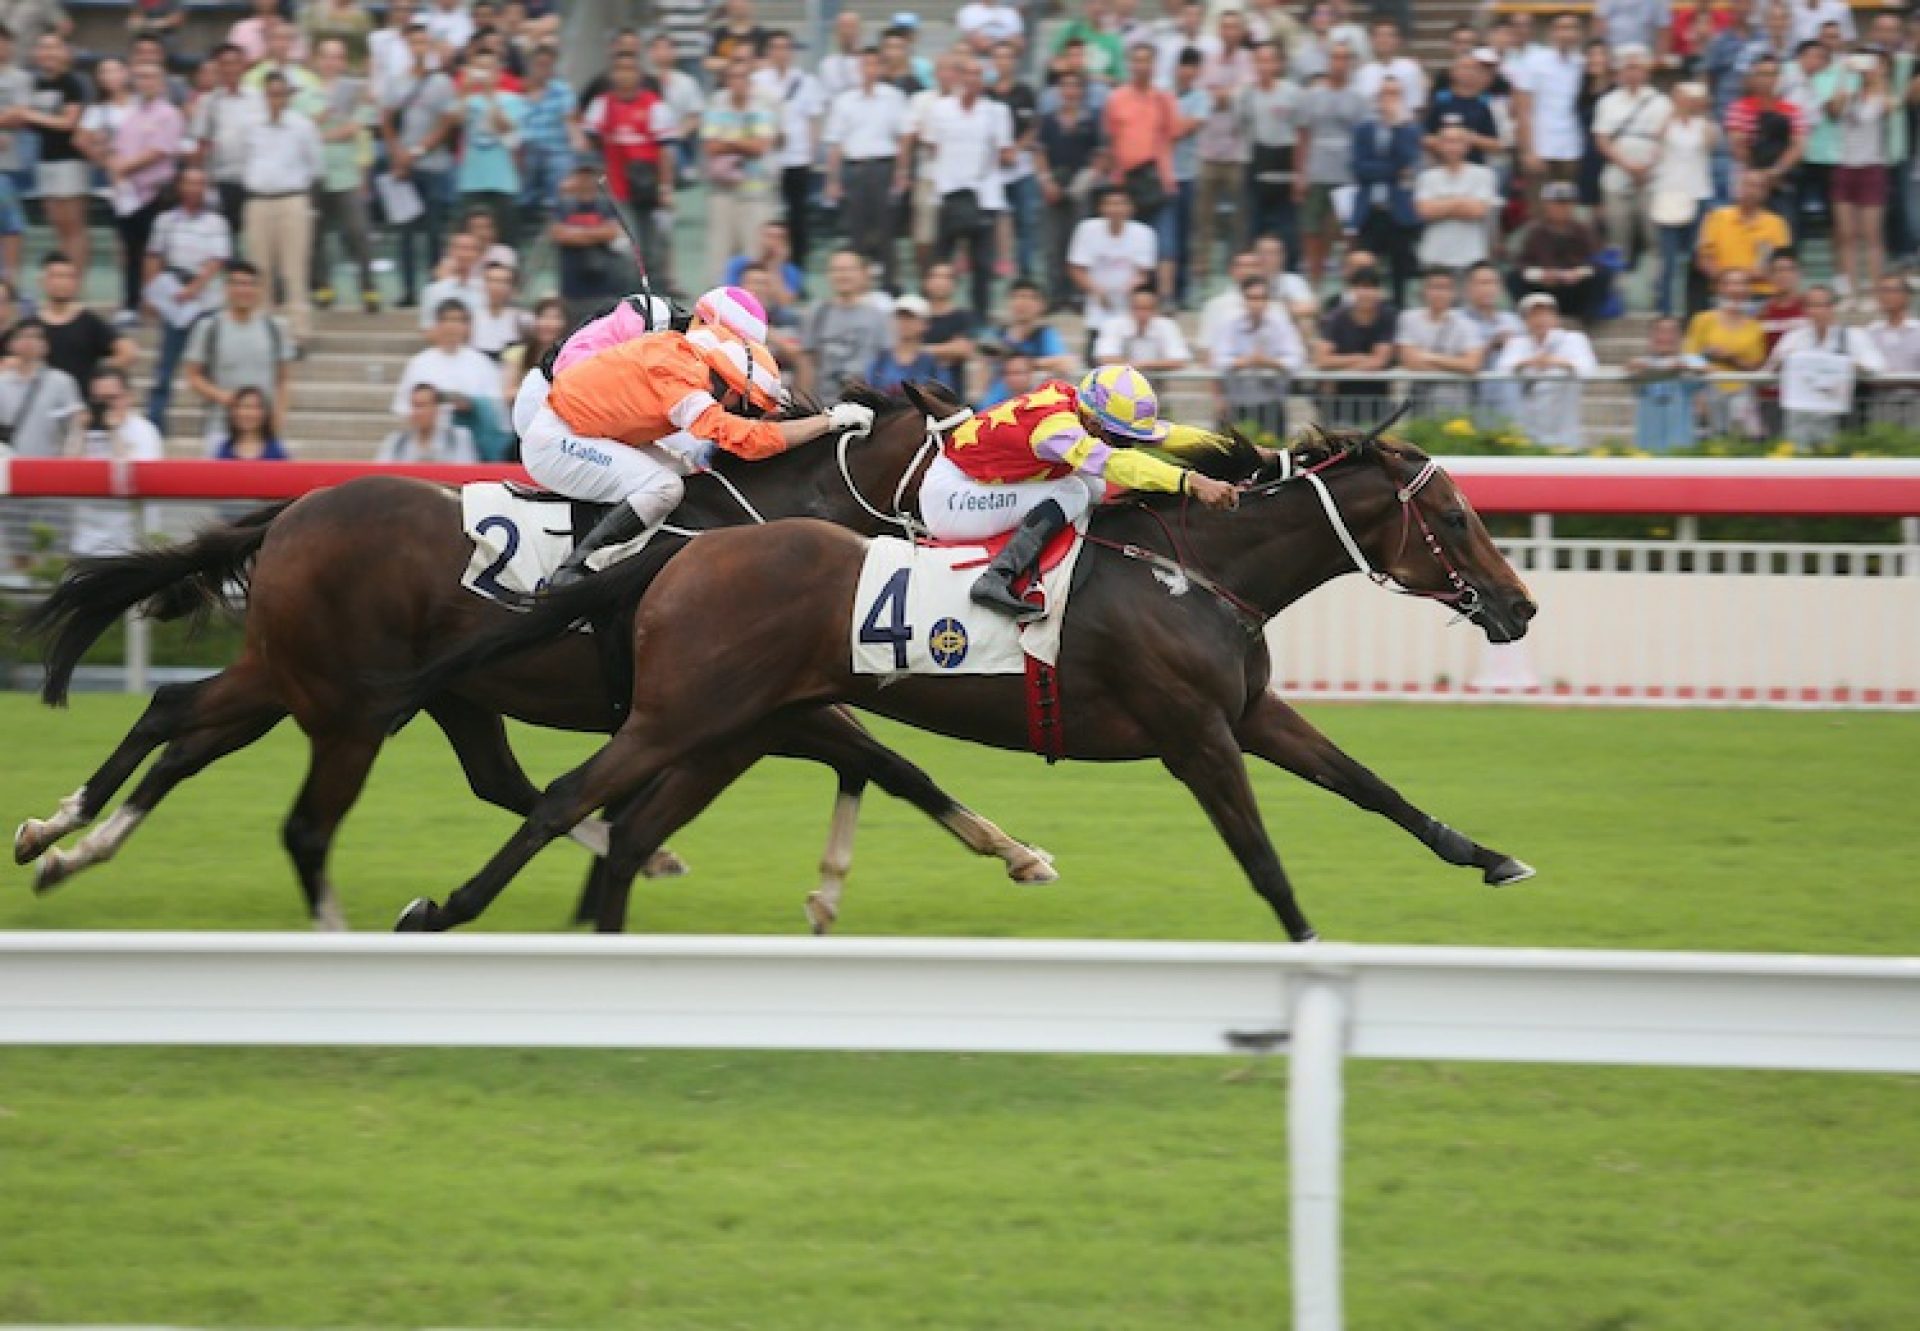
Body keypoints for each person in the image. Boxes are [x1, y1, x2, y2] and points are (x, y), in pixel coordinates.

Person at [528, 312, 874, 586]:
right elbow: (747, 440)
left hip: (589, 432)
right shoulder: (680, 377)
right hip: (557, 441)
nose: (744, 413)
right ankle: (576, 568)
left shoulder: (689, 360)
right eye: (747, 407)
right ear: (731, 385)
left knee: (684, 474)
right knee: (664, 487)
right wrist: (827, 422)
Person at [927, 363, 1237, 620]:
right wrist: (1191, 481)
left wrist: (1246, 452)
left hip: (979, 483)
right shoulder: (1056, 428)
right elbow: (1114, 462)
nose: (1124, 443)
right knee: (1074, 489)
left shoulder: (1082, 406)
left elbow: (1166, 435)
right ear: (1093, 420)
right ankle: (997, 577)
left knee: (1092, 486)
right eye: (1120, 437)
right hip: (952, 497)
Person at [913, 54, 1014, 318]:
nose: (972, 79)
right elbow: (931, 144)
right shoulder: (940, 109)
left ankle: (980, 316)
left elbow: (1005, 151)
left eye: (977, 74)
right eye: (967, 73)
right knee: (940, 259)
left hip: (984, 196)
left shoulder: (997, 111)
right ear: (959, 77)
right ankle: (931, 313)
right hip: (948, 193)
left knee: (982, 263)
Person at [143, 165, 233, 431]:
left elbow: (217, 260)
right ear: (180, 186)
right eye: (189, 183)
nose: (195, 189)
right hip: (175, 298)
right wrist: (153, 292)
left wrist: (193, 288)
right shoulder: (165, 221)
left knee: (211, 365)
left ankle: (215, 422)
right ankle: (155, 421)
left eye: (200, 183)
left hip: (206, 302)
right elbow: (154, 256)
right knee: (166, 364)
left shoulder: (217, 223)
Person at [383, 18, 461, 308]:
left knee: (432, 233)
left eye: (423, 42)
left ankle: (434, 292)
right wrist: (397, 154)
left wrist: (415, 151)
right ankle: (407, 290)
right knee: (405, 233)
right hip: (405, 170)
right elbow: (386, 120)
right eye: (413, 42)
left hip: (433, 167)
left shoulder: (441, 81)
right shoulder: (397, 81)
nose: (418, 48)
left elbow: (446, 124)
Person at [242, 72, 322, 341]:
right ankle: (260, 332)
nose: (276, 99)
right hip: (258, 201)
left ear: (289, 96)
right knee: (259, 269)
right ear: (264, 95)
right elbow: (246, 161)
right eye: (271, 93)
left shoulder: (303, 126)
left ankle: (298, 334)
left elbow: (315, 167)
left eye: (281, 93)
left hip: (292, 199)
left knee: (294, 270)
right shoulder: (251, 126)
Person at [824, 46, 910, 292]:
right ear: (859, 68)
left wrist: (902, 173)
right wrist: (833, 179)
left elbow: (903, 138)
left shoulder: (894, 97)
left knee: (886, 230)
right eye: (866, 64)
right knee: (856, 230)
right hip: (855, 169)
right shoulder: (845, 101)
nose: (870, 70)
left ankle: (890, 285)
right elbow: (836, 143)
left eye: (875, 64)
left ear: (882, 68)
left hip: (884, 167)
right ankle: (857, 284)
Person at [182, 260, 294, 444]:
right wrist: (225, 397)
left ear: (259, 290)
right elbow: (193, 376)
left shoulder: (274, 327)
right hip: (220, 429)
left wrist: (279, 416)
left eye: (250, 284)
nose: (244, 290)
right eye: (237, 284)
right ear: (227, 288)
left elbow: (284, 379)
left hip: (265, 432)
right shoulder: (209, 327)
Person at [307, 38, 377, 316]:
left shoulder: (357, 90)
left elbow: (355, 127)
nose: (332, 62)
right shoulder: (304, 92)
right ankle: (322, 286)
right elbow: (303, 127)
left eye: (338, 57)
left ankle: (368, 288)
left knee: (358, 232)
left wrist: (321, 133)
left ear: (344, 61)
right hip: (314, 172)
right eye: (327, 56)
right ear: (317, 60)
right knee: (315, 235)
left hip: (347, 172)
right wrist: (326, 126)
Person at [1767, 283, 1884, 446]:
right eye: (1811, 306)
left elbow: (1876, 366)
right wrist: (1782, 363)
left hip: (1839, 418)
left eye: (1822, 305)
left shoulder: (1852, 336)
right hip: (1800, 419)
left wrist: (1849, 365)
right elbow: (1769, 371)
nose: (1817, 311)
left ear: (1833, 307)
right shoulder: (1793, 338)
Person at [394, 301, 512, 460]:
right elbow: (402, 406)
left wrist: (472, 405)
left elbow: (496, 408)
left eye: (458, 320)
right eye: (447, 320)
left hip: (470, 444)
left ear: (467, 326)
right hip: (426, 442)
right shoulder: (419, 363)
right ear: (437, 325)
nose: (452, 326)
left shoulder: (482, 363)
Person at [67, 368, 163, 557]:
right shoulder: (84, 429)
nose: (105, 405)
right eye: (98, 399)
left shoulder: (144, 431)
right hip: (84, 540)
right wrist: (79, 431)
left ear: (128, 397)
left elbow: (137, 481)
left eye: (112, 398)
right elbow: (66, 474)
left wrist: (114, 432)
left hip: (127, 543)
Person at [1591, 45, 1671, 268]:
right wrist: (1628, 166)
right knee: (1617, 238)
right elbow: (1602, 139)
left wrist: (1646, 167)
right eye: (1627, 68)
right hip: (1618, 173)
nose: (1632, 73)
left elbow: (1666, 138)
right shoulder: (1608, 101)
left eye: (1637, 67)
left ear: (1646, 71)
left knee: (1654, 237)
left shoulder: (1661, 102)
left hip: (1652, 176)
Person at [701, 58, 777, 289]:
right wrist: (745, 142)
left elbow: (761, 147)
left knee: (754, 252)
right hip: (722, 193)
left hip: (755, 193)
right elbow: (711, 147)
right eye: (734, 77)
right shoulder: (716, 105)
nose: (739, 82)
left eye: (743, 77)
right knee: (719, 254)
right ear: (727, 80)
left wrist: (728, 140)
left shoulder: (761, 108)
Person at [751, 30, 824, 268]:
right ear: (769, 51)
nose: (781, 52)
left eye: (786, 47)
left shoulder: (806, 81)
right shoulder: (758, 80)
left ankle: (797, 268)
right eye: (776, 47)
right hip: (767, 159)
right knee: (767, 217)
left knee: (797, 217)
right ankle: (764, 267)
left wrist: (812, 155)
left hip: (797, 158)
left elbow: (813, 120)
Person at [1349, 78, 1422, 307]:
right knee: (1364, 268)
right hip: (1370, 210)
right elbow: (1359, 168)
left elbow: (1407, 162)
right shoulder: (1363, 129)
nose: (1389, 100)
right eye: (1385, 94)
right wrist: (1391, 171)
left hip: (1397, 211)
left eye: (1395, 95)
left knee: (1400, 271)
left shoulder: (1409, 129)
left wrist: (1397, 126)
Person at [1648, 81, 1718, 318]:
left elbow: (1710, 144)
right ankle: (1664, 308)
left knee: (1696, 256)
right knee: (1668, 257)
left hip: (1698, 193)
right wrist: (1674, 113)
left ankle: (1695, 309)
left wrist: (1701, 109)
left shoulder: (1704, 125)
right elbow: (1656, 141)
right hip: (1669, 192)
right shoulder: (1666, 123)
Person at [1034, 68, 1103, 308]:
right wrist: (1046, 181)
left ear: (1081, 91)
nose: (1070, 91)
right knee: (1053, 243)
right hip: (1054, 184)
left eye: (1075, 86)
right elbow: (1040, 152)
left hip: (1079, 187)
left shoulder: (1090, 120)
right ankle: (1055, 293)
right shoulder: (1049, 120)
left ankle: (1076, 293)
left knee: (1079, 242)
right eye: (1065, 86)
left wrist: (1086, 181)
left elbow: (1099, 155)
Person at [1492, 292, 1598, 448]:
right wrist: (1529, 363)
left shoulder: (1574, 339)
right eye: (1534, 315)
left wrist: (1557, 362)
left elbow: (1588, 369)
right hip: (1528, 428)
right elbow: (1501, 370)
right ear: (1526, 321)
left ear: (1556, 318)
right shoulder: (1517, 343)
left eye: (1545, 314)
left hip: (1565, 429)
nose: (1540, 320)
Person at [1067, 187, 1157, 357]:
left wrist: (1128, 290)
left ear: (1130, 208)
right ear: (1101, 208)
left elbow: (1144, 273)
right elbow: (1076, 268)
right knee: (1094, 358)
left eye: (1121, 204)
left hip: (1130, 308)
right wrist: (1097, 291)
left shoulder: (1144, 233)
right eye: (1110, 204)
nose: (1116, 209)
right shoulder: (1087, 229)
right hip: (1098, 307)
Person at [1211, 275, 1305, 436]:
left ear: (1268, 300)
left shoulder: (1281, 324)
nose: (1256, 303)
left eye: (1261, 298)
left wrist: (1268, 362)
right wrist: (1247, 361)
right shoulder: (1230, 324)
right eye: (1251, 298)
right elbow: (1219, 360)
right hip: (1236, 404)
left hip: (1271, 404)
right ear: (1243, 299)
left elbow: (1296, 359)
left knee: (1275, 455)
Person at [1832, 51, 1890, 309]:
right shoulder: (1848, 97)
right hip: (1846, 167)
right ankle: (1851, 293)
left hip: (1871, 168)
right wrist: (1845, 73)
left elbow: (1886, 106)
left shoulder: (1881, 97)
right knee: (1846, 235)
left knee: (1872, 235)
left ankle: (1875, 293)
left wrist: (1877, 76)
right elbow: (1833, 109)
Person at [26, 34, 87, 275]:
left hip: (69, 160)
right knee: (58, 227)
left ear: (64, 53)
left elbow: (69, 122)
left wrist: (30, 115)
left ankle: (75, 284)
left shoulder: (72, 83)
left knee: (74, 228)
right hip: (45, 160)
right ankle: (61, 281)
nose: (48, 53)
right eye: (43, 47)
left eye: (54, 47)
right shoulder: (36, 84)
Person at [452, 50, 525, 250]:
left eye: (489, 68)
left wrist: (490, 95)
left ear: (498, 72)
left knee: (506, 241)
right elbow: (456, 121)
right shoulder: (467, 99)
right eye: (480, 68)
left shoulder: (512, 99)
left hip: (503, 181)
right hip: (471, 181)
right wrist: (464, 92)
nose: (484, 73)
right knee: (468, 242)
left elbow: (506, 126)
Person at [1511, 12, 1588, 196]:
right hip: (1541, 147)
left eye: (1572, 28)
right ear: (1551, 33)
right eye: (1562, 28)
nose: (1567, 34)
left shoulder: (1582, 63)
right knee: (1539, 212)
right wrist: (1527, 151)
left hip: (1572, 147)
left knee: (1567, 208)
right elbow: (1522, 110)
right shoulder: (1533, 61)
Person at [1684, 269, 1767, 438]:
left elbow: (1756, 365)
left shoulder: (1755, 327)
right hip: (1709, 391)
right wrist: (1709, 366)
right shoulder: (1703, 320)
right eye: (1731, 283)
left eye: (1743, 283)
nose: (1737, 289)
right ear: (1720, 288)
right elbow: (1689, 357)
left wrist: (1728, 357)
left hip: (1742, 393)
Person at [37, 252, 135, 393]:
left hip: (82, 404)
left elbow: (127, 351)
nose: (63, 282)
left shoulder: (90, 323)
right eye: (57, 276)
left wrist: (97, 376)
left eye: (69, 277)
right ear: (42, 281)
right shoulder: (31, 326)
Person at [1395, 268, 1488, 418]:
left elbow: (1472, 365)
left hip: (1454, 405)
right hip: (1416, 402)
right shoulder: (1408, 318)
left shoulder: (1468, 325)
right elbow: (1411, 361)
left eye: (1445, 288)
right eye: (1434, 287)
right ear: (1424, 290)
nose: (1439, 293)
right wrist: (1456, 365)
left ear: (1454, 292)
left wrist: (1428, 356)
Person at [1509, 182, 1607, 322]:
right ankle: (1531, 315)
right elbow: (1522, 264)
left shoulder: (1583, 230)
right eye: (1557, 203)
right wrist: (1542, 274)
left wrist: (1578, 273)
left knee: (1603, 275)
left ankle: (1589, 316)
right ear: (1547, 205)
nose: (1562, 208)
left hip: (1575, 288)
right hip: (1545, 289)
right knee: (1513, 277)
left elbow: (1597, 262)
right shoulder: (1535, 232)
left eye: (1566, 203)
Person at [1311, 265, 1397, 424]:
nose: (1366, 293)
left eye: (1371, 287)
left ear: (1379, 291)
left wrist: (1339, 363)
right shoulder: (1337, 317)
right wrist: (1359, 357)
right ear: (1352, 290)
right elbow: (1322, 360)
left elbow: (1379, 361)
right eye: (1362, 287)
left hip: (1377, 400)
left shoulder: (1387, 316)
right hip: (1339, 401)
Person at [801, 249, 890, 398]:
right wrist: (804, 401)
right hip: (824, 404)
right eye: (836, 270)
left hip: (866, 403)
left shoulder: (878, 315)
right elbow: (807, 361)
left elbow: (887, 361)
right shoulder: (817, 312)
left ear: (863, 274)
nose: (842, 275)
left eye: (849, 269)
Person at [1415, 121, 1499, 273]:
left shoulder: (1483, 174)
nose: (1452, 146)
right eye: (1447, 141)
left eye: (1458, 141)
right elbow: (1425, 211)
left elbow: (1477, 210)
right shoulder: (1427, 177)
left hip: (1472, 255)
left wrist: (1442, 204)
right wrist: (1461, 202)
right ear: (1439, 145)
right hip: (1434, 255)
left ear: (1467, 145)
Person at [1697, 169, 1792, 296]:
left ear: (1765, 193)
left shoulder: (1776, 224)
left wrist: (1736, 280)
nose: (1752, 191)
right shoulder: (1716, 218)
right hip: (1723, 294)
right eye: (1747, 185)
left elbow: (1778, 267)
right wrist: (1730, 283)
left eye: (1758, 187)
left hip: (1761, 296)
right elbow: (1704, 259)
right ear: (1738, 188)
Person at [0, 317, 82, 460]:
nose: (29, 342)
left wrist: (70, 461)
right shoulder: (2, 383)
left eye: (35, 337)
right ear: (11, 344)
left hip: (49, 467)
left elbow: (74, 427)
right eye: (22, 337)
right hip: (9, 468)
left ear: (46, 346)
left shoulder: (61, 382)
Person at [1628, 316, 1706, 452]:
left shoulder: (1690, 360)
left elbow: (1707, 369)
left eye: (1671, 332)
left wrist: (1684, 368)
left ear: (1680, 337)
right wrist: (1640, 369)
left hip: (1680, 446)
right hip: (1647, 446)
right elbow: (1629, 368)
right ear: (1651, 337)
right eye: (1660, 332)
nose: (1666, 337)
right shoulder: (1642, 363)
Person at [1093, 283, 1190, 371]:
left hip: (1155, 387)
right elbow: (1104, 358)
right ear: (1129, 307)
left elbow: (1180, 360)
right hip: (1117, 387)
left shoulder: (1167, 325)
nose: (1142, 314)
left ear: (1157, 309)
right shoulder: (1113, 324)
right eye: (1138, 308)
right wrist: (1141, 366)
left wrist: (1140, 365)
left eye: (1148, 308)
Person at [380, 383, 480, 463]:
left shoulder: (459, 438)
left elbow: (466, 475)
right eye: (414, 406)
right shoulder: (396, 442)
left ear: (437, 409)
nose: (417, 412)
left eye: (422, 406)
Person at [921, 262, 976, 395]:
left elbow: (964, 349)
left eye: (946, 277)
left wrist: (921, 350)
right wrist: (946, 351)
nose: (941, 282)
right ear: (926, 282)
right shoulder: (916, 316)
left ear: (954, 284)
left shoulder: (963, 317)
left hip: (951, 393)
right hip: (918, 389)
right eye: (936, 276)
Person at [869, 293, 940, 392]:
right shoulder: (880, 360)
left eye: (911, 318)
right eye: (900, 317)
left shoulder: (932, 363)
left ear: (926, 324)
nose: (904, 323)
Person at [212, 386, 290, 460]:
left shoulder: (277, 451)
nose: (249, 413)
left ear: (265, 413)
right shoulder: (223, 451)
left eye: (255, 407)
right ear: (233, 413)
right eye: (244, 407)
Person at [470, 262, 527, 359]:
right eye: (492, 281)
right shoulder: (470, 318)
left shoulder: (523, 320)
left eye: (504, 282)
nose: (497, 286)